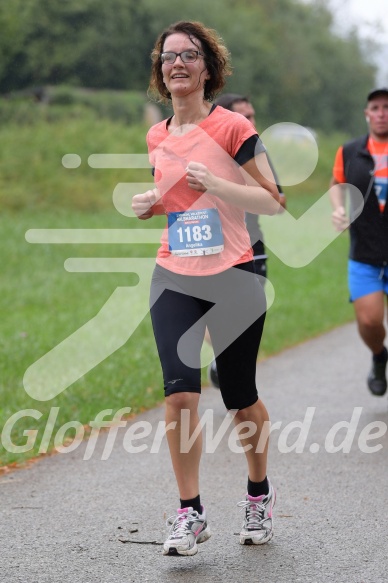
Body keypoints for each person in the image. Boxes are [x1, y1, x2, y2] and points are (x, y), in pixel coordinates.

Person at [132, 21, 280, 556]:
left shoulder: (233, 129)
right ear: (160, 70)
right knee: (180, 395)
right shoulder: (158, 134)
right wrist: (153, 204)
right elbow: (180, 204)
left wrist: (218, 183)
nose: (178, 64)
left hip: (235, 276)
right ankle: (189, 512)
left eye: (189, 56)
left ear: (208, 69)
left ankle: (258, 495)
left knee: (240, 399)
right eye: (169, 56)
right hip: (174, 272)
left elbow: (272, 199)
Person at [207, 94, 286, 388]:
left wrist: (268, 198)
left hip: (251, 246)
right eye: (246, 117)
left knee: (246, 314)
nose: (253, 123)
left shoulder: (257, 154)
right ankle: (222, 352)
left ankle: (228, 364)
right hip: (209, 246)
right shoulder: (204, 153)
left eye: (253, 116)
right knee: (203, 313)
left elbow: (277, 201)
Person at [330, 87, 388, 396]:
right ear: (367, 114)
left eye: (386, 107)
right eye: (375, 107)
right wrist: (338, 209)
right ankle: (380, 356)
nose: (381, 113)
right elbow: (336, 184)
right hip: (365, 255)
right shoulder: (350, 151)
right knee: (369, 321)